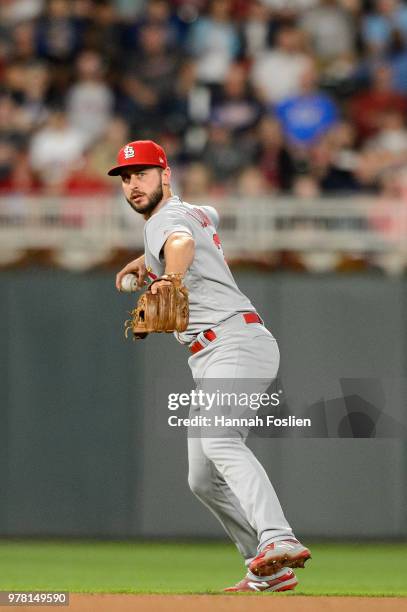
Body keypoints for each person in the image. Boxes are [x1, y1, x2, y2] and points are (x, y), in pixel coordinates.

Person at [110, 139, 311, 593]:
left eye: (141, 173)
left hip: (234, 341)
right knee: (201, 477)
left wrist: (170, 275)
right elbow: (201, 223)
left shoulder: (167, 220)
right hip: (215, 351)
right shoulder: (191, 210)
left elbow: (179, 241)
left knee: (221, 440)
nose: (132, 184)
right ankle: (268, 570)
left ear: (165, 174)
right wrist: (147, 260)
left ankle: (278, 538)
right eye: (125, 177)